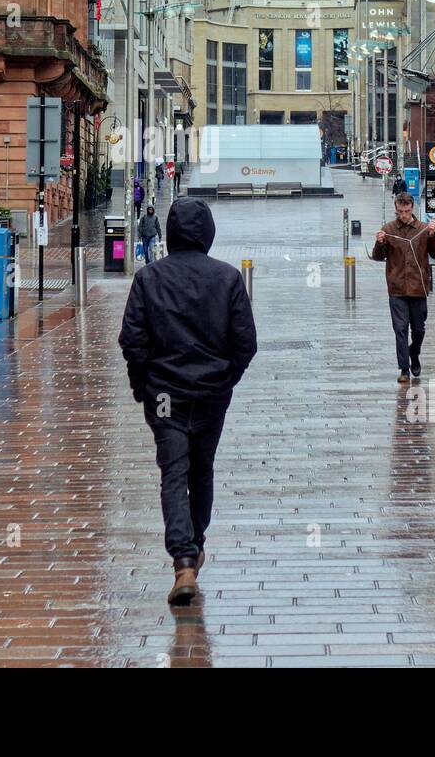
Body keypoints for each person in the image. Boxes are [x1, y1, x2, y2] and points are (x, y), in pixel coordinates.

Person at [119, 198, 257, 606]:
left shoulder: (149, 278)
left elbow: (132, 340)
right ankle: (194, 546)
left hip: (164, 396)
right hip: (211, 395)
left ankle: (183, 559)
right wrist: (225, 379)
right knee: (202, 470)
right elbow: (245, 343)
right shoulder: (228, 278)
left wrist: (142, 385)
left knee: (174, 473)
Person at [370, 191, 435, 385]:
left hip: (418, 287)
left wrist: (433, 236)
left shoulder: (423, 228)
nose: (403, 215)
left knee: (418, 330)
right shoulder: (389, 229)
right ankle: (404, 368)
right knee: (400, 329)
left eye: (407, 211)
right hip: (397, 288)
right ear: (396, 209)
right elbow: (378, 256)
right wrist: (380, 243)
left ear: (412, 209)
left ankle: (414, 353)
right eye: (400, 211)